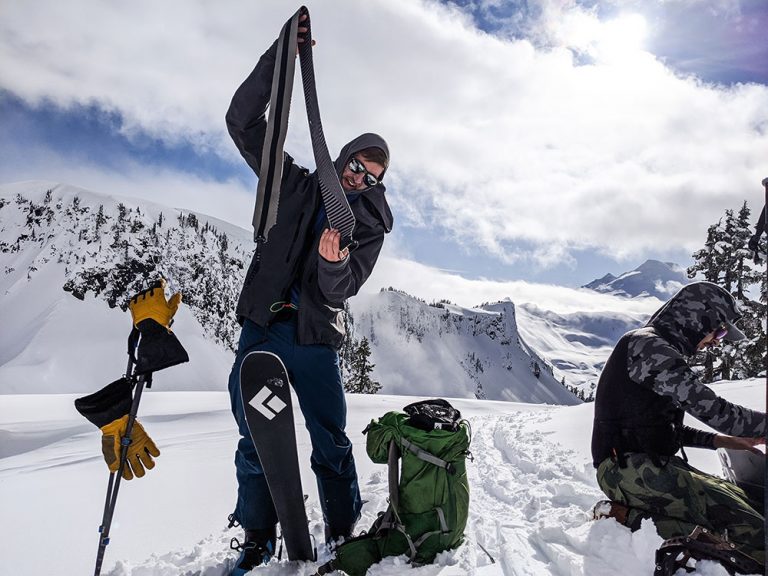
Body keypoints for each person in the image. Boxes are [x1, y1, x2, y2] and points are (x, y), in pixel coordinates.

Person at [223, 20, 393, 575]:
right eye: (357, 165)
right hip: (265, 328)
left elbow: (344, 289)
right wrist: (281, 59)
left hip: (316, 339)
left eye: (372, 176)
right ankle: (256, 535)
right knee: (256, 438)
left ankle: (341, 530)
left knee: (330, 441)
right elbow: (243, 123)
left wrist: (331, 261)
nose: (361, 178)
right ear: (341, 157)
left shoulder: (364, 226)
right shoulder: (294, 182)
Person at [591, 281, 765, 566]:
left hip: (646, 464)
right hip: (626, 470)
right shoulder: (650, 348)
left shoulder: (654, 348)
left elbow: (660, 427)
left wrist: (722, 441)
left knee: (745, 500)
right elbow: (717, 411)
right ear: (698, 318)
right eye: (718, 330)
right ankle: (624, 517)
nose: (717, 340)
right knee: (753, 532)